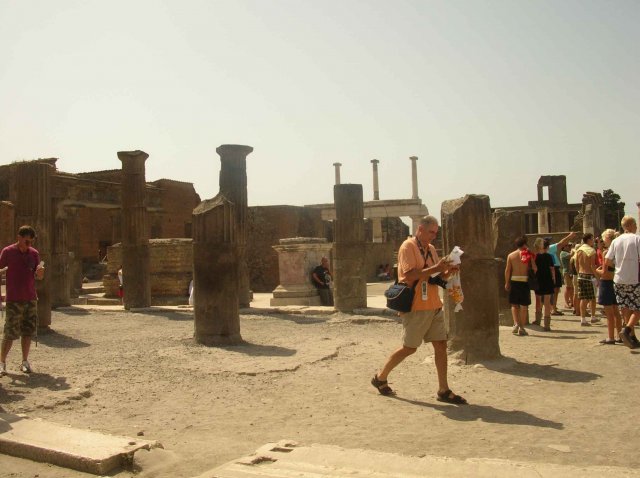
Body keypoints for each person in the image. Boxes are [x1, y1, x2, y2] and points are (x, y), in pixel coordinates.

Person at [370, 216, 466, 404]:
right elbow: (409, 274)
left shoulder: (430, 249)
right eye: (431, 232)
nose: (433, 236)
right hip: (416, 306)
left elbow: (436, 276)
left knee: (440, 346)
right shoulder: (408, 246)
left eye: (435, 233)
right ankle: (380, 377)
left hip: (434, 305)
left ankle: (443, 389)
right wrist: (437, 268)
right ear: (420, 229)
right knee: (409, 348)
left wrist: (448, 271)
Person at [0, 225, 45, 376]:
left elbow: (39, 276)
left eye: (31, 242)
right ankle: (2, 363)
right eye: (26, 241)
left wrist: (40, 273)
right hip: (14, 298)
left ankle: (24, 361)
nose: (29, 245)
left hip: (30, 298)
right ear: (19, 238)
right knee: (10, 332)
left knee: (28, 331)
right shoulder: (8, 252)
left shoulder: (34, 254)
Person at [604, 216, 640, 349]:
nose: (636, 227)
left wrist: (619, 266)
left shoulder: (616, 241)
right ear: (630, 225)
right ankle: (628, 329)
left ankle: (632, 337)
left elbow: (607, 261)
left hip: (619, 279)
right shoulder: (637, 239)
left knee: (625, 307)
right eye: (635, 224)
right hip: (634, 278)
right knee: (637, 308)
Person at [505, 235, 536, 336]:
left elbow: (508, 270)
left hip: (514, 280)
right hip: (524, 280)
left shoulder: (511, 255)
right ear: (524, 244)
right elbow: (535, 268)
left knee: (514, 304)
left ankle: (516, 324)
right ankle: (522, 327)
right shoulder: (528, 255)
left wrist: (507, 282)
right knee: (524, 306)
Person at [595, 229, 623, 344]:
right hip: (615, 282)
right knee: (616, 311)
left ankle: (610, 337)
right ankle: (619, 335)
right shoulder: (619, 251)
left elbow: (604, 272)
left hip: (606, 283)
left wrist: (596, 270)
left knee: (609, 313)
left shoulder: (607, 252)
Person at [547, 232, 577, 315]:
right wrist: (569, 236)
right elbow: (561, 243)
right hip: (553, 269)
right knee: (555, 290)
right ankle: (553, 309)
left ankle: (552, 307)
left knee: (555, 290)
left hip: (554, 269)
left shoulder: (548, 249)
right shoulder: (550, 248)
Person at [576, 233, 598, 326]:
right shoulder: (591, 251)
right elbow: (592, 266)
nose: (593, 241)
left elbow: (576, 264)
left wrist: (578, 273)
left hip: (580, 275)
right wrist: (598, 277)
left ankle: (583, 319)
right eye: (592, 239)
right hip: (589, 276)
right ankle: (593, 316)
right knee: (592, 297)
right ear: (589, 240)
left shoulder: (579, 250)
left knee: (583, 298)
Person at [533, 238, 555, 331]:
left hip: (539, 280)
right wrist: (554, 279)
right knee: (547, 302)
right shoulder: (549, 256)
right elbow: (552, 269)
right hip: (548, 280)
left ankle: (538, 320)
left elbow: (534, 269)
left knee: (538, 301)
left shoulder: (535, 256)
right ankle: (547, 324)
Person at [560, 242, 574, 310]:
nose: (569, 247)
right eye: (567, 246)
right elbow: (571, 255)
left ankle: (572, 302)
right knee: (568, 288)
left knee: (571, 288)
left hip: (570, 272)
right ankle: (566, 302)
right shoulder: (563, 253)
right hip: (566, 272)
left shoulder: (566, 252)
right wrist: (573, 249)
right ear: (564, 247)